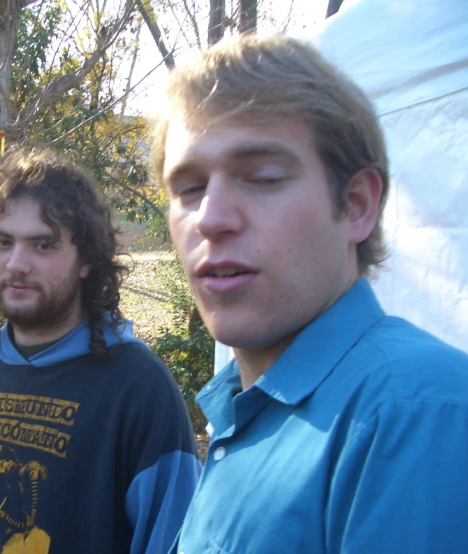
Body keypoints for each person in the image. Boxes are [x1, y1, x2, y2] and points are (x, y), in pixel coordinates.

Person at [153, 35, 468, 553]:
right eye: (188, 189)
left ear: (358, 205)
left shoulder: (415, 412)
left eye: (262, 177)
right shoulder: (239, 409)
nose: (209, 217)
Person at [0, 149, 201, 554]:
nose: (17, 264)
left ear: (86, 259)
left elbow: (173, 538)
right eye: (3, 242)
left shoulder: (139, 387)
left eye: (42, 245)